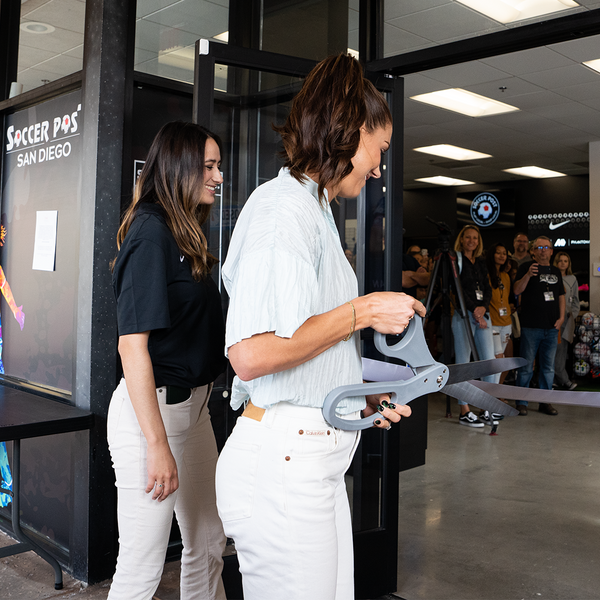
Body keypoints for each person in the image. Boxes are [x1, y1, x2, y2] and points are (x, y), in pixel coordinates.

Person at [215, 54, 425, 600]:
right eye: (379, 150)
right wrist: (364, 311)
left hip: (313, 459)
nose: (379, 168)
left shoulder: (316, 212)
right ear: (350, 131)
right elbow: (253, 354)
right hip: (286, 464)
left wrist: (362, 398)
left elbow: (307, 347)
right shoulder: (283, 210)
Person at [107, 122, 228, 600]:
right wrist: (158, 445)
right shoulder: (149, 233)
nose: (218, 177)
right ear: (179, 167)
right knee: (142, 566)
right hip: (150, 420)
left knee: (208, 541)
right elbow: (131, 347)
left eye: (218, 166)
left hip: (194, 413)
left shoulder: (186, 231)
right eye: (210, 166)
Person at [451, 225, 498, 427]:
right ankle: (464, 410)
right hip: (463, 315)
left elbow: (487, 288)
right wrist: (474, 309)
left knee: (490, 361)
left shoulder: (480, 262)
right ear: (462, 240)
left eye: (475, 238)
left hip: (482, 315)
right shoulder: (456, 260)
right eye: (468, 237)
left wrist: (482, 308)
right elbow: (456, 288)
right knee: (464, 364)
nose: (472, 241)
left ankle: (486, 406)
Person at [514, 236, 565, 416]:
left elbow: (560, 296)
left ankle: (545, 402)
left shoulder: (557, 272)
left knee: (548, 368)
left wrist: (561, 318)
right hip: (530, 327)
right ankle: (521, 402)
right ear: (533, 251)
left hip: (551, 328)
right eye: (539, 247)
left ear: (551, 251)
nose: (543, 250)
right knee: (526, 367)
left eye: (546, 247)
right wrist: (528, 275)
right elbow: (516, 290)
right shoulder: (524, 268)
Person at [485, 242, 513, 383]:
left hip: (506, 322)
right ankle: (491, 395)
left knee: (501, 362)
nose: (502, 256)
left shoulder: (506, 276)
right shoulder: (486, 275)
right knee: (497, 359)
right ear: (492, 254)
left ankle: (495, 392)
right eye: (498, 253)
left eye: (504, 253)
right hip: (492, 322)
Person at [553, 251, 580, 391]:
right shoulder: (552, 277)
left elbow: (575, 300)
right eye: (560, 260)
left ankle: (556, 379)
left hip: (567, 319)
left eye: (565, 261)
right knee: (555, 349)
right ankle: (564, 380)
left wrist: (573, 314)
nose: (563, 263)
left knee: (563, 351)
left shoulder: (572, 279)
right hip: (554, 318)